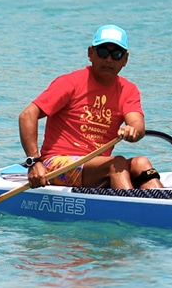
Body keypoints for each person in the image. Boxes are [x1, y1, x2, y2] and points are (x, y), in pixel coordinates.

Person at [18, 24, 164, 192]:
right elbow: (27, 115)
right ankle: (130, 211)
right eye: (103, 52)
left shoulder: (128, 90)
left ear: (125, 59)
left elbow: (137, 124)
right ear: (90, 53)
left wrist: (133, 131)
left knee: (141, 163)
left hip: (97, 167)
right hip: (57, 164)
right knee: (116, 163)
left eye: (116, 54)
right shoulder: (70, 83)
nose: (109, 59)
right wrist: (34, 162)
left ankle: (165, 210)